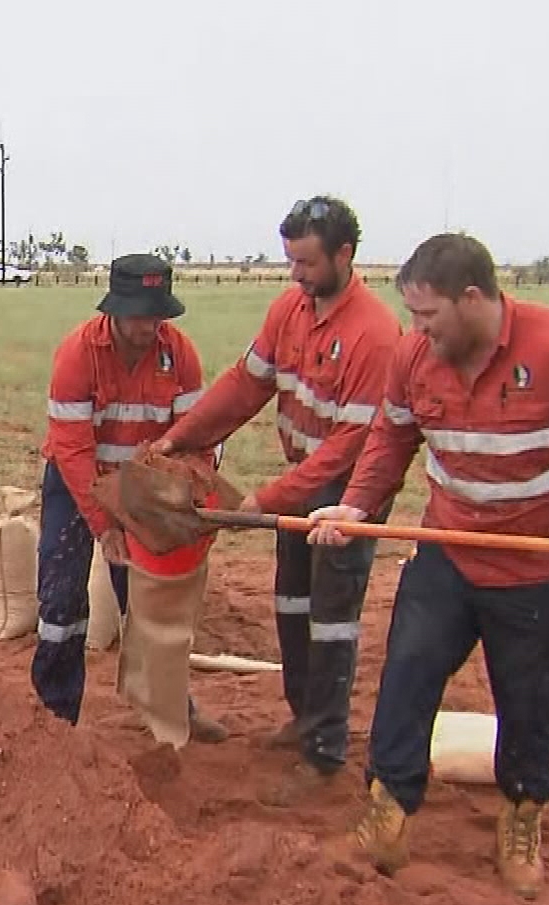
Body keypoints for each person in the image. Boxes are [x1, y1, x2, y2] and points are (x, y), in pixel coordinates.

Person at [308, 232, 549, 898]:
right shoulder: (413, 358)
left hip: (543, 566)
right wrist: (359, 506)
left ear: (473, 299)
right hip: (450, 547)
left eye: (429, 316)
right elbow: (393, 435)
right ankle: (389, 811)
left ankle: (522, 812)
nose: (417, 331)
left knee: (529, 698)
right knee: (408, 673)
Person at [153, 195, 401, 800]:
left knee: (331, 617)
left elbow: (349, 448)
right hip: (301, 479)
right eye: (291, 261)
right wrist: (180, 438)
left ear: (345, 255)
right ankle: (302, 714)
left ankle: (324, 753)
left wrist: (264, 500)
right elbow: (245, 386)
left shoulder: (374, 335)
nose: (296, 274)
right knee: (291, 604)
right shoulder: (289, 308)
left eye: (308, 263)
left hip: (346, 494)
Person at [33, 253, 227, 742]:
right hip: (76, 479)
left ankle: (170, 709)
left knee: (153, 601)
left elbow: (197, 437)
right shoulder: (77, 354)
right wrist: (104, 524)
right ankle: (54, 719)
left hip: (144, 487)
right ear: (113, 311)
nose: (148, 327)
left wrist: (188, 492)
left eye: (155, 315)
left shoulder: (179, 353)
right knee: (61, 596)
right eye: (138, 315)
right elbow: (74, 450)